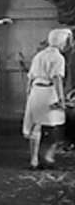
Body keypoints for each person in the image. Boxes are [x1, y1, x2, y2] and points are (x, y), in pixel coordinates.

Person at [22, 28, 73, 169]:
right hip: (49, 92)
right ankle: (48, 157)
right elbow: (56, 79)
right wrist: (61, 99)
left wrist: (29, 93)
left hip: (36, 91)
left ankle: (34, 160)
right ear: (63, 42)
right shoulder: (58, 58)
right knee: (57, 125)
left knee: (36, 126)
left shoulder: (39, 55)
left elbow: (30, 77)